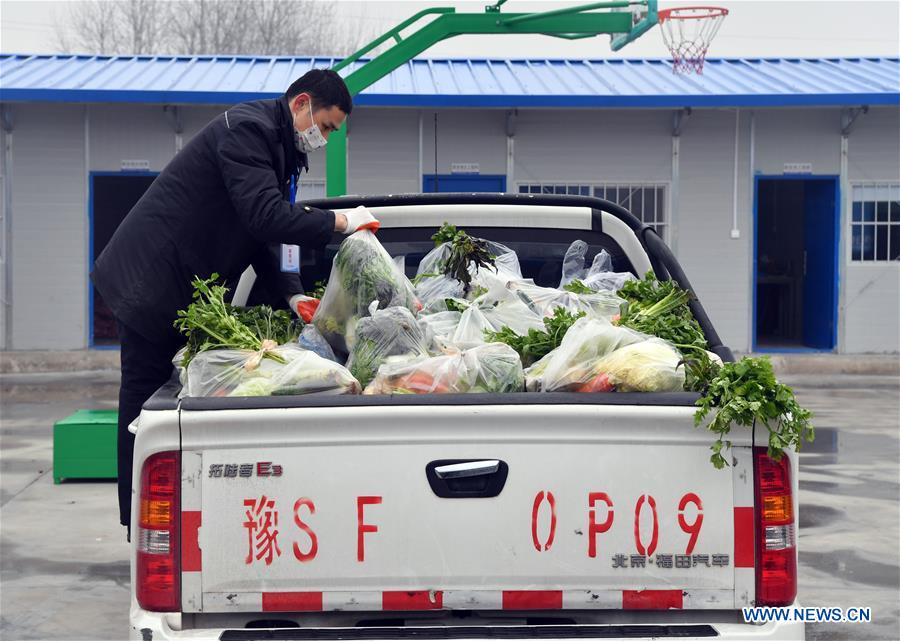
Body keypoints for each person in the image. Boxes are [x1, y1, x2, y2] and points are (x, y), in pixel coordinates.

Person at [91, 69, 378, 539]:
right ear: (302, 104)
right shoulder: (248, 130)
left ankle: (170, 522)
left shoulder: (279, 146)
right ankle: (142, 531)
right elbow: (265, 217)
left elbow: (261, 235)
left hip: (180, 286)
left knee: (162, 407)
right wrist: (340, 223)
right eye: (325, 126)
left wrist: (293, 293)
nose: (323, 139)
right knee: (146, 409)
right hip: (151, 283)